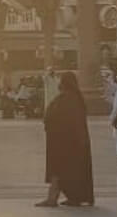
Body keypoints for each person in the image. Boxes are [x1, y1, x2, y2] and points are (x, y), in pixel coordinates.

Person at [37, 71, 94, 207]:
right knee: (68, 171)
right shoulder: (75, 98)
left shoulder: (67, 99)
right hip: (69, 141)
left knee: (58, 170)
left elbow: (60, 118)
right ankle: (72, 197)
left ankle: (53, 198)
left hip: (64, 142)